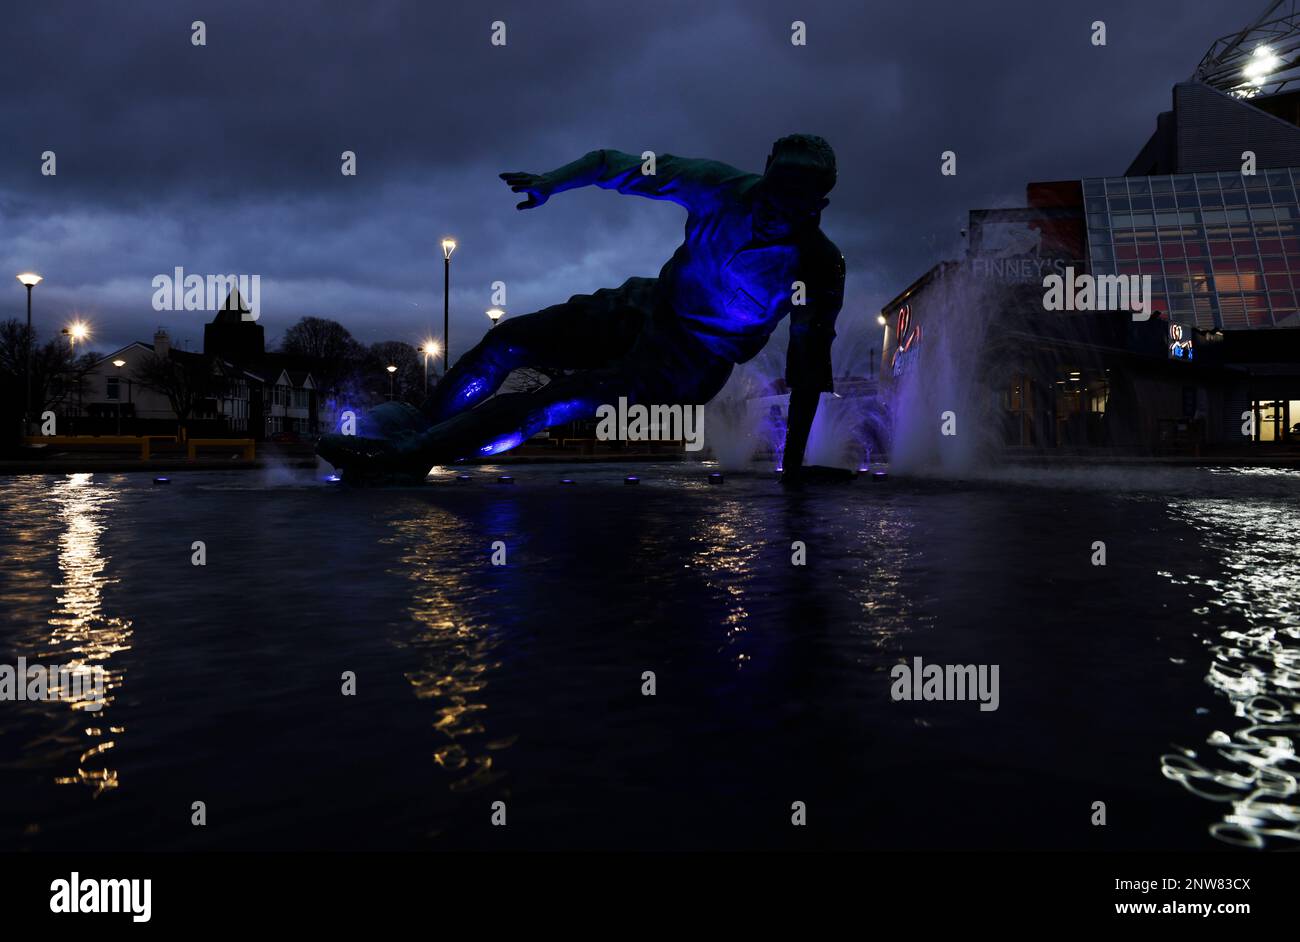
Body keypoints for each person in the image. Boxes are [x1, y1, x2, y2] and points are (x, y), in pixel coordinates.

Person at [317, 134, 846, 483]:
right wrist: (552, 182)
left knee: (556, 400)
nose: (774, 212)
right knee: (509, 341)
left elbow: (807, 372)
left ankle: (411, 458)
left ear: (818, 206)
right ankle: (420, 424)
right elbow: (610, 165)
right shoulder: (721, 188)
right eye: (773, 194)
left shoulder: (818, 266)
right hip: (648, 303)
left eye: (794, 204)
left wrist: (792, 466)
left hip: (691, 362)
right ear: (764, 174)